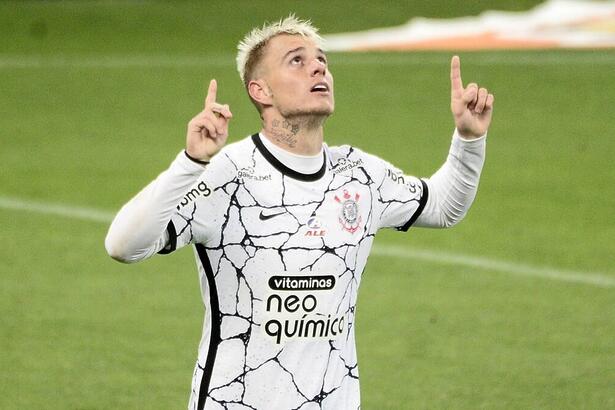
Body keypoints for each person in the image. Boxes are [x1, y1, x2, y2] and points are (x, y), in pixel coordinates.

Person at [105, 15, 493, 410]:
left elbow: (444, 206)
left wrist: (469, 138)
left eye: (322, 59)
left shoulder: (360, 175)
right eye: (296, 60)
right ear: (261, 90)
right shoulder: (228, 175)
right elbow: (123, 245)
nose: (319, 66)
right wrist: (189, 163)